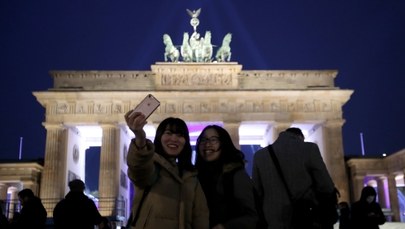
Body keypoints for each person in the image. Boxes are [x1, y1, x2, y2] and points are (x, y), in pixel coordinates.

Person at [124, 111, 209, 229]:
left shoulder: (191, 178)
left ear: (185, 142)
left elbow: (201, 218)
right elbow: (138, 169)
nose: (174, 139)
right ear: (159, 137)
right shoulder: (151, 166)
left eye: (180, 135)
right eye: (168, 133)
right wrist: (140, 139)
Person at [252, 127, 336, 229]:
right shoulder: (309, 148)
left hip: (273, 219)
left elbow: (257, 192)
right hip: (304, 217)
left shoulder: (259, 156)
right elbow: (326, 186)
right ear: (300, 137)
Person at [195, 125, 259, 229]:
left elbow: (253, 216)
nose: (207, 144)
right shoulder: (195, 176)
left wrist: (225, 227)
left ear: (223, 143)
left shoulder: (235, 175)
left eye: (213, 140)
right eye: (203, 140)